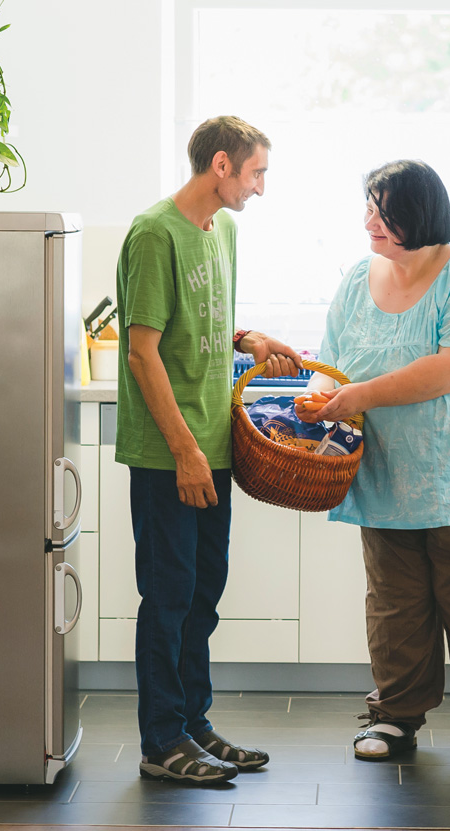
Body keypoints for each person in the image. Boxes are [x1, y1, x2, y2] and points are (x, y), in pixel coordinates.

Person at [296, 159, 450, 765]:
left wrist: (355, 396)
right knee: (395, 601)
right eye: (369, 207)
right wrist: (322, 396)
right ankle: (394, 717)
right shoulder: (358, 280)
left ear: (420, 212)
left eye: (383, 210)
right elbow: (333, 364)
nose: (369, 221)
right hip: (386, 471)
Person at [115, 115, 301, 784]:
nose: (260, 188)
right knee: (167, 596)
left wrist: (248, 339)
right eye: (256, 174)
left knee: (204, 593)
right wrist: (185, 451)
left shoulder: (223, 229)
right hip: (171, 452)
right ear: (221, 166)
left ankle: (193, 725)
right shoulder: (152, 234)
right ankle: (160, 742)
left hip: (214, 444)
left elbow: (200, 325)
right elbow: (142, 351)